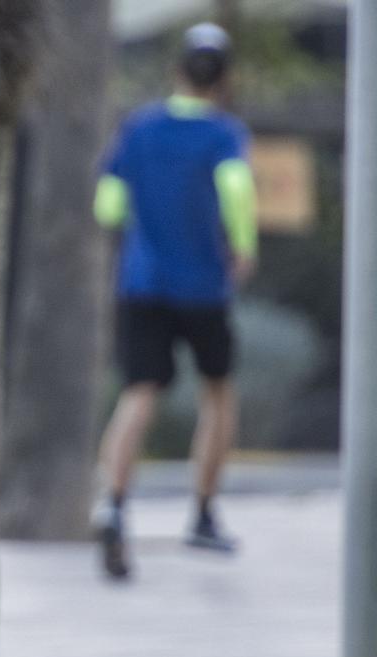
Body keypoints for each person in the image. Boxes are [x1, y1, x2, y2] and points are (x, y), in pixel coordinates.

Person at [90, 22, 258, 580]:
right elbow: (236, 188)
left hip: (143, 284)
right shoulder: (224, 134)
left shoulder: (139, 128)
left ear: (177, 71)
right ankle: (204, 513)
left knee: (139, 392)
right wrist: (242, 245)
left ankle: (113, 503)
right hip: (203, 287)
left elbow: (108, 207)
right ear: (225, 78)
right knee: (218, 393)